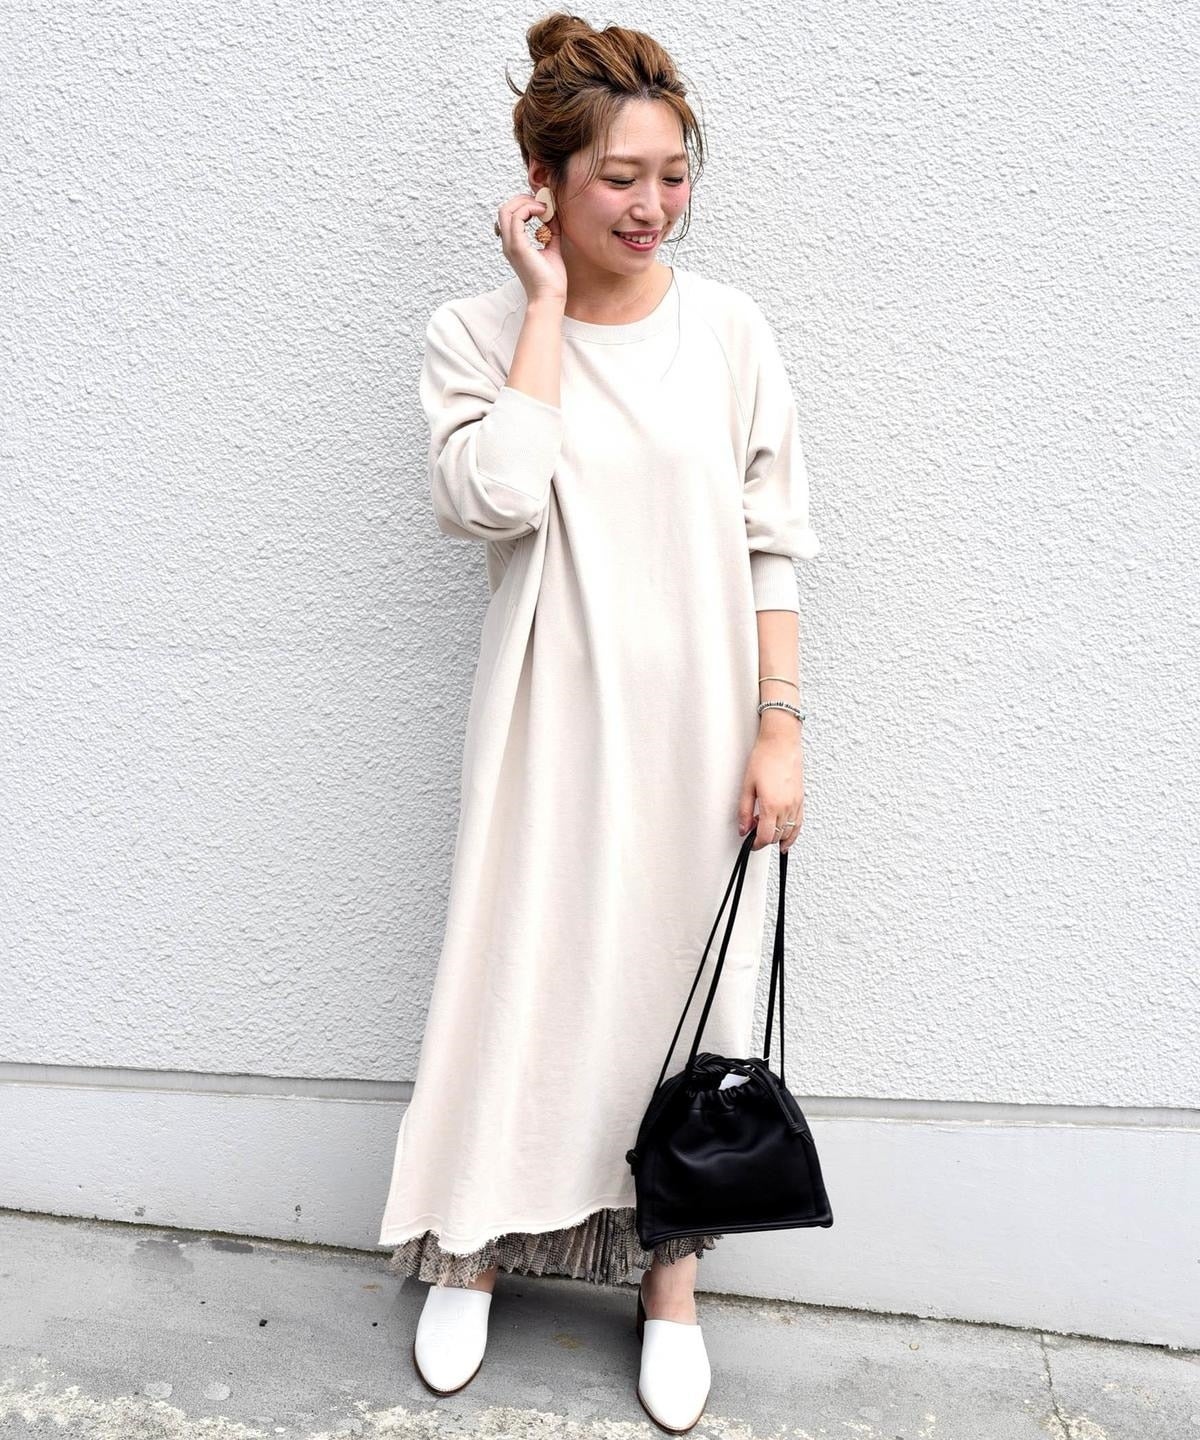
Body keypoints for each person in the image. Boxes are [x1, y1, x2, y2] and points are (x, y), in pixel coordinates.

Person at [377, 11, 820, 1432]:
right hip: (548, 718)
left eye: (672, 175)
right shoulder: (474, 334)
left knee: (687, 1000)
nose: (651, 205)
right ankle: (471, 1249)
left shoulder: (730, 329)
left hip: (702, 723)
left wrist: (780, 727)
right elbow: (497, 496)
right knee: (521, 973)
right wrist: (543, 309)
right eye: (619, 177)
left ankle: (669, 1285)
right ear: (546, 182)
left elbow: (770, 540)